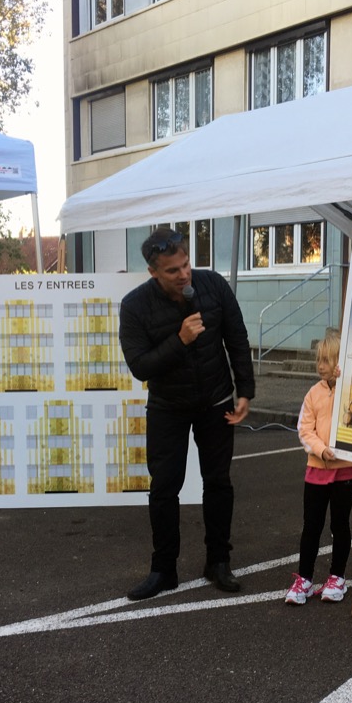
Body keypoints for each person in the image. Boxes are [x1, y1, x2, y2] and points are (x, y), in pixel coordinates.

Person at [119, 226, 255, 601]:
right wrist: (179, 340)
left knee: (218, 482)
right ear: (153, 272)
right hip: (167, 408)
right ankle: (163, 570)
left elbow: (237, 338)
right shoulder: (134, 307)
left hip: (215, 400)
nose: (184, 275)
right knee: (164, 488)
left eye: (186, 265)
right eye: (173, 271)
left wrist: (245, 390)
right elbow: (141, 366)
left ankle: (218, 562)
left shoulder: (212, 286)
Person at [285, 334, 352, 605]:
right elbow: (304, 429)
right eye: (319, 359)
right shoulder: (313, 393)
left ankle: (337, 577)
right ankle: (304, 579)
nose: (322, 365)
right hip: (317, 469)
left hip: (347, 470)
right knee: (312, 525)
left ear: (341, 362)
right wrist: (320, 450)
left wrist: (347, 381)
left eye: (328, 360)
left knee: (339, 524)